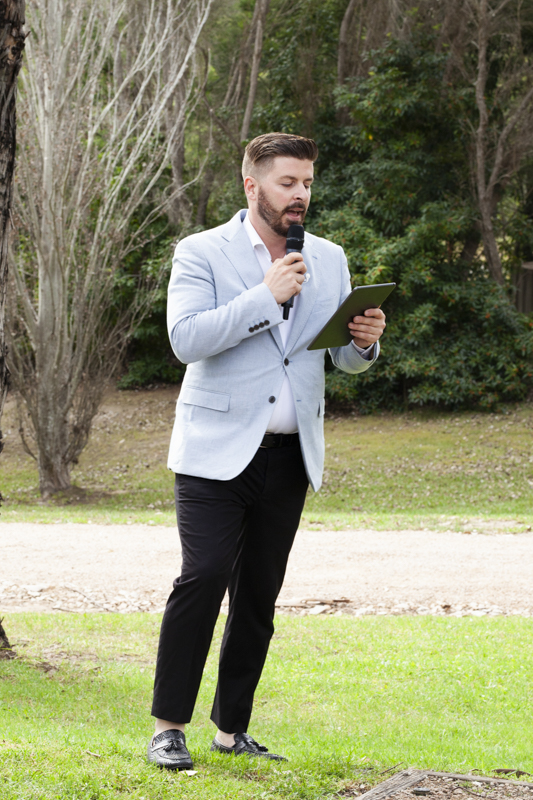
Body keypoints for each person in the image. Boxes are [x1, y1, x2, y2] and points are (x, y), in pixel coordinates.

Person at [147, 132, 386, 770]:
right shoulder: (201, 252)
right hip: (214, 452)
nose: (300, 195)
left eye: (307, 182)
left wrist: (364, 340)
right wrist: (265, 296)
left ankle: (231, 731)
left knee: (259, 594)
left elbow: (340, 357)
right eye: (288, 183)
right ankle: (170, 728)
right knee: (202, 580)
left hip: (289, 455)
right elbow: (186, 340)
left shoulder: (330, 259)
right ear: (251, 186)